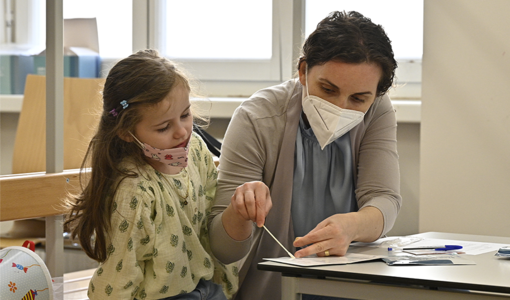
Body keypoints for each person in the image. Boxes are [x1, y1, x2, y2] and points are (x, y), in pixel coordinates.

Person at [208, 11, 402, 300]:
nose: (340, 107)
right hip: (271, 291)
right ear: (302, 71)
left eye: (358, 98)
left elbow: (384, 199)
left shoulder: (377, 110)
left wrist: (351, 227)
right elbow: (223, 250)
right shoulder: (256, 118)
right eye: (327, 89)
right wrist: (238, 213)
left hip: (351, 289)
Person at [65, 49, 239, 300]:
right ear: (126, 133)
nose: (182, 132)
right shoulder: (134, 192)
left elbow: (213, 220)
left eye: (185, 115)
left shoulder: (197, 152)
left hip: (206, 289)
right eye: (164, 127)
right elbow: (120, 276)